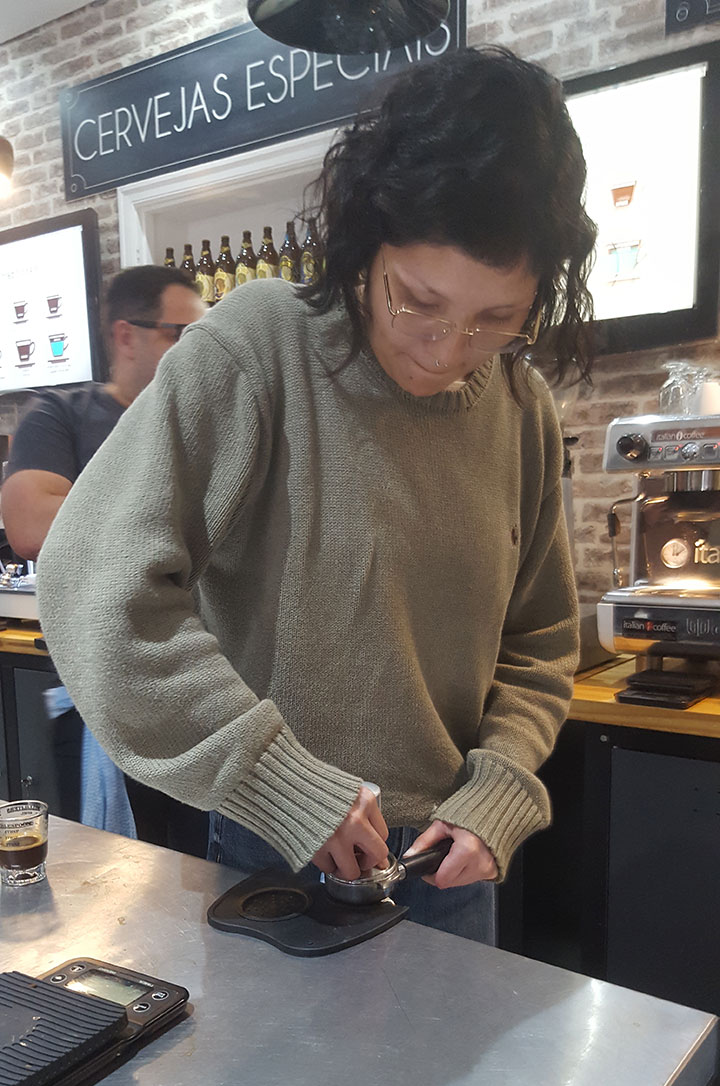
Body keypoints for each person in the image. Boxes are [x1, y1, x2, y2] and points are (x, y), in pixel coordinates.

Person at [37, 47, 596, 940]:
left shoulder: (522, 408)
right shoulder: (260, 347)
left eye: (496, 319)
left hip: (454, 862)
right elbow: (97, 582)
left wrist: (501, 783)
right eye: (418, 301)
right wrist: (277, 779)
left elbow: (537, 642)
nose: (448, 350)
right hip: (276, 854)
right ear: (367, 242)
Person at [3, 265, 208, 853]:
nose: (198, 350)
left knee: (212, 877)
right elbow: (30, 524)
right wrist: (183, 520)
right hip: (109, 696)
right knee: (119, 870)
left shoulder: (205, 421)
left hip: (207, 694)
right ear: (126, 335)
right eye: (180, 334)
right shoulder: (62, 414)